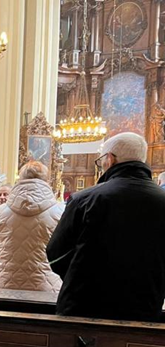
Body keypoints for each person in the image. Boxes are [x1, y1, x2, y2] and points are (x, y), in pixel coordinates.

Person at [47, 132, 165, 321]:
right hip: (145, 308)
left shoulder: (85, 199)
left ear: (110, 159)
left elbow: (56, 254)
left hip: (84, 305)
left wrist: (82, 275)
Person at [0, 162, 64, 292]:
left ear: (20, 179)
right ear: (47, 180)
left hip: (5, 284)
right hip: (46, 286)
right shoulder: (60, 212)